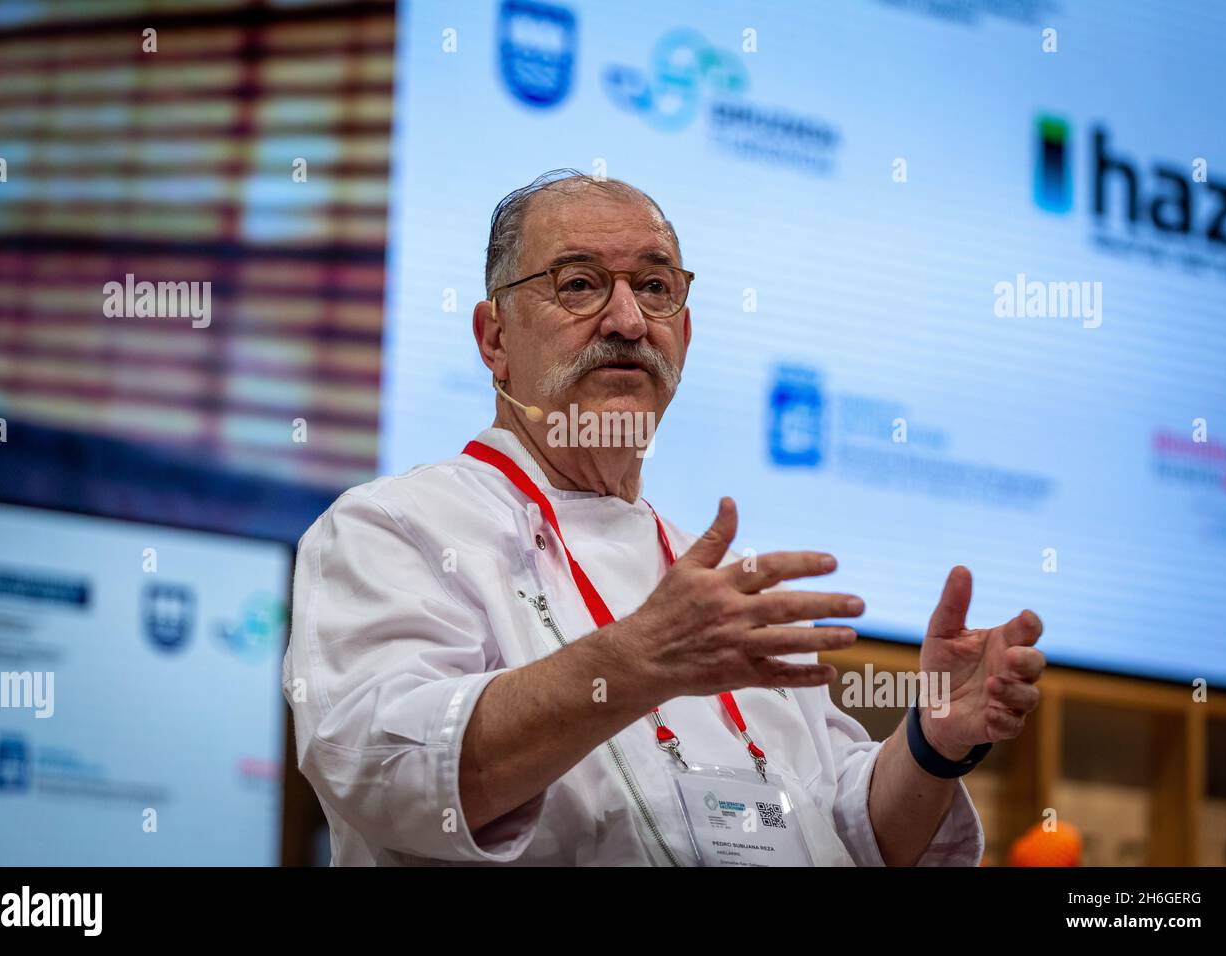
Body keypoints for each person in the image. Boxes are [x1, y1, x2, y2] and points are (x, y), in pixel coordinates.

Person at [282, 169, 1047, 866]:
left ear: (685, 332)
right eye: (579, 284)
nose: (627, 319)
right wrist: (638, 662)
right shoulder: (392, 530)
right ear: (493, 339)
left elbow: (844, 836)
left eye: (655, 288)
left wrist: (932, 744)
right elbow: (387, 770)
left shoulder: (711, 587)